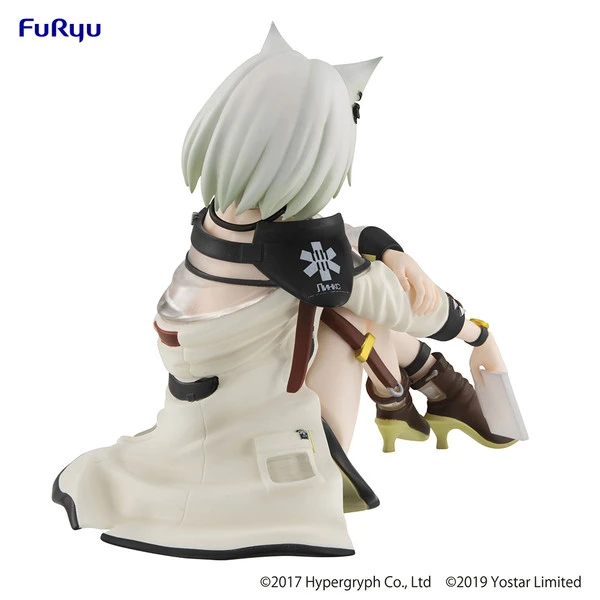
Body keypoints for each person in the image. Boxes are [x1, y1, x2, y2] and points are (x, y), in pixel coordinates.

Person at [53, 24, 513, 560]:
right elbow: (403, 306)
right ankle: (430, 391)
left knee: (345, 294)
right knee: (356, 311)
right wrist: (479, 334)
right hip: (264, 440)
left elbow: (340, 241)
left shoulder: (224, 216)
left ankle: (422, 396)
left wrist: (391, 251)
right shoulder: (293, 247)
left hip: (204, 416)